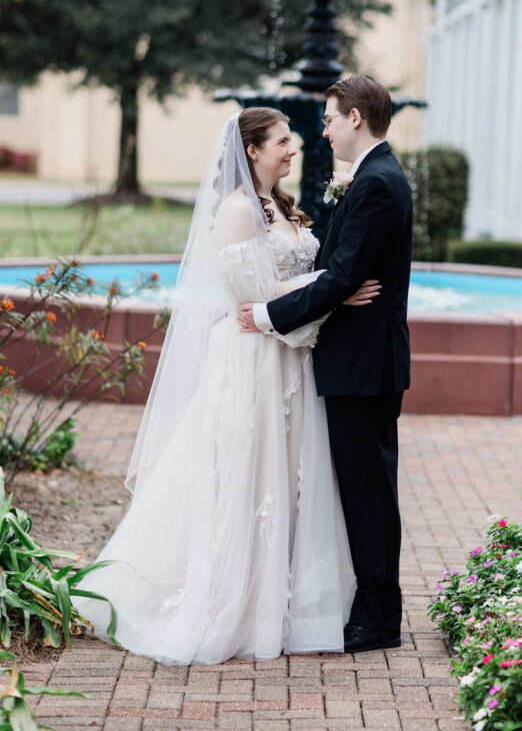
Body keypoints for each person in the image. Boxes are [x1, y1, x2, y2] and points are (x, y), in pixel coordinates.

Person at [76, 107, 379, 664]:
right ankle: (234, 609)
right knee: (249, 477)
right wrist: (336, 294)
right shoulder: (239, 212)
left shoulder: (280, 207)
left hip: (288, 359)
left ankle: (280, 603)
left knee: (287, 477)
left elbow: (286, 294)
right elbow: (257, 302)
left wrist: (328, 289)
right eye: (283, 141)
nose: (295, 149)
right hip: (255, 362)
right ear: (253, 150)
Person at [238, 75, 413, 653]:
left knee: (368, 491)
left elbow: (342, 277)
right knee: (363, 489)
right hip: (358, 360)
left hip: (363, 365)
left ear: (356, 119)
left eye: (331, 118)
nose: (325, 129)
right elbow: (341, 272)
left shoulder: (377, 184)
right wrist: (336, 285)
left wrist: (267, 315)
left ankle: (380, 616)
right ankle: (372, 605)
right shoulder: (369, 178)